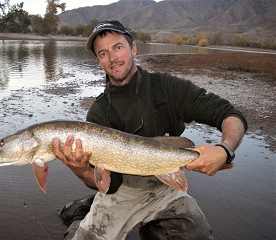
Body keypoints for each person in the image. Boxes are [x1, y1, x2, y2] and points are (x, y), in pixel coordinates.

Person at [52, 20, 247, 239]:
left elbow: (230, 115)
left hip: (165, 188)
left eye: (118, 47)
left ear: (133, 48)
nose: (113, 58)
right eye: (103, 53)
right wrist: (80, 169)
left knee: (197, 235)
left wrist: (225, 150)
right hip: (121, 195)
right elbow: (109, 184)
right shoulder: (98, 113)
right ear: (99, 60)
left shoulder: (167, 87)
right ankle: (82, 216)